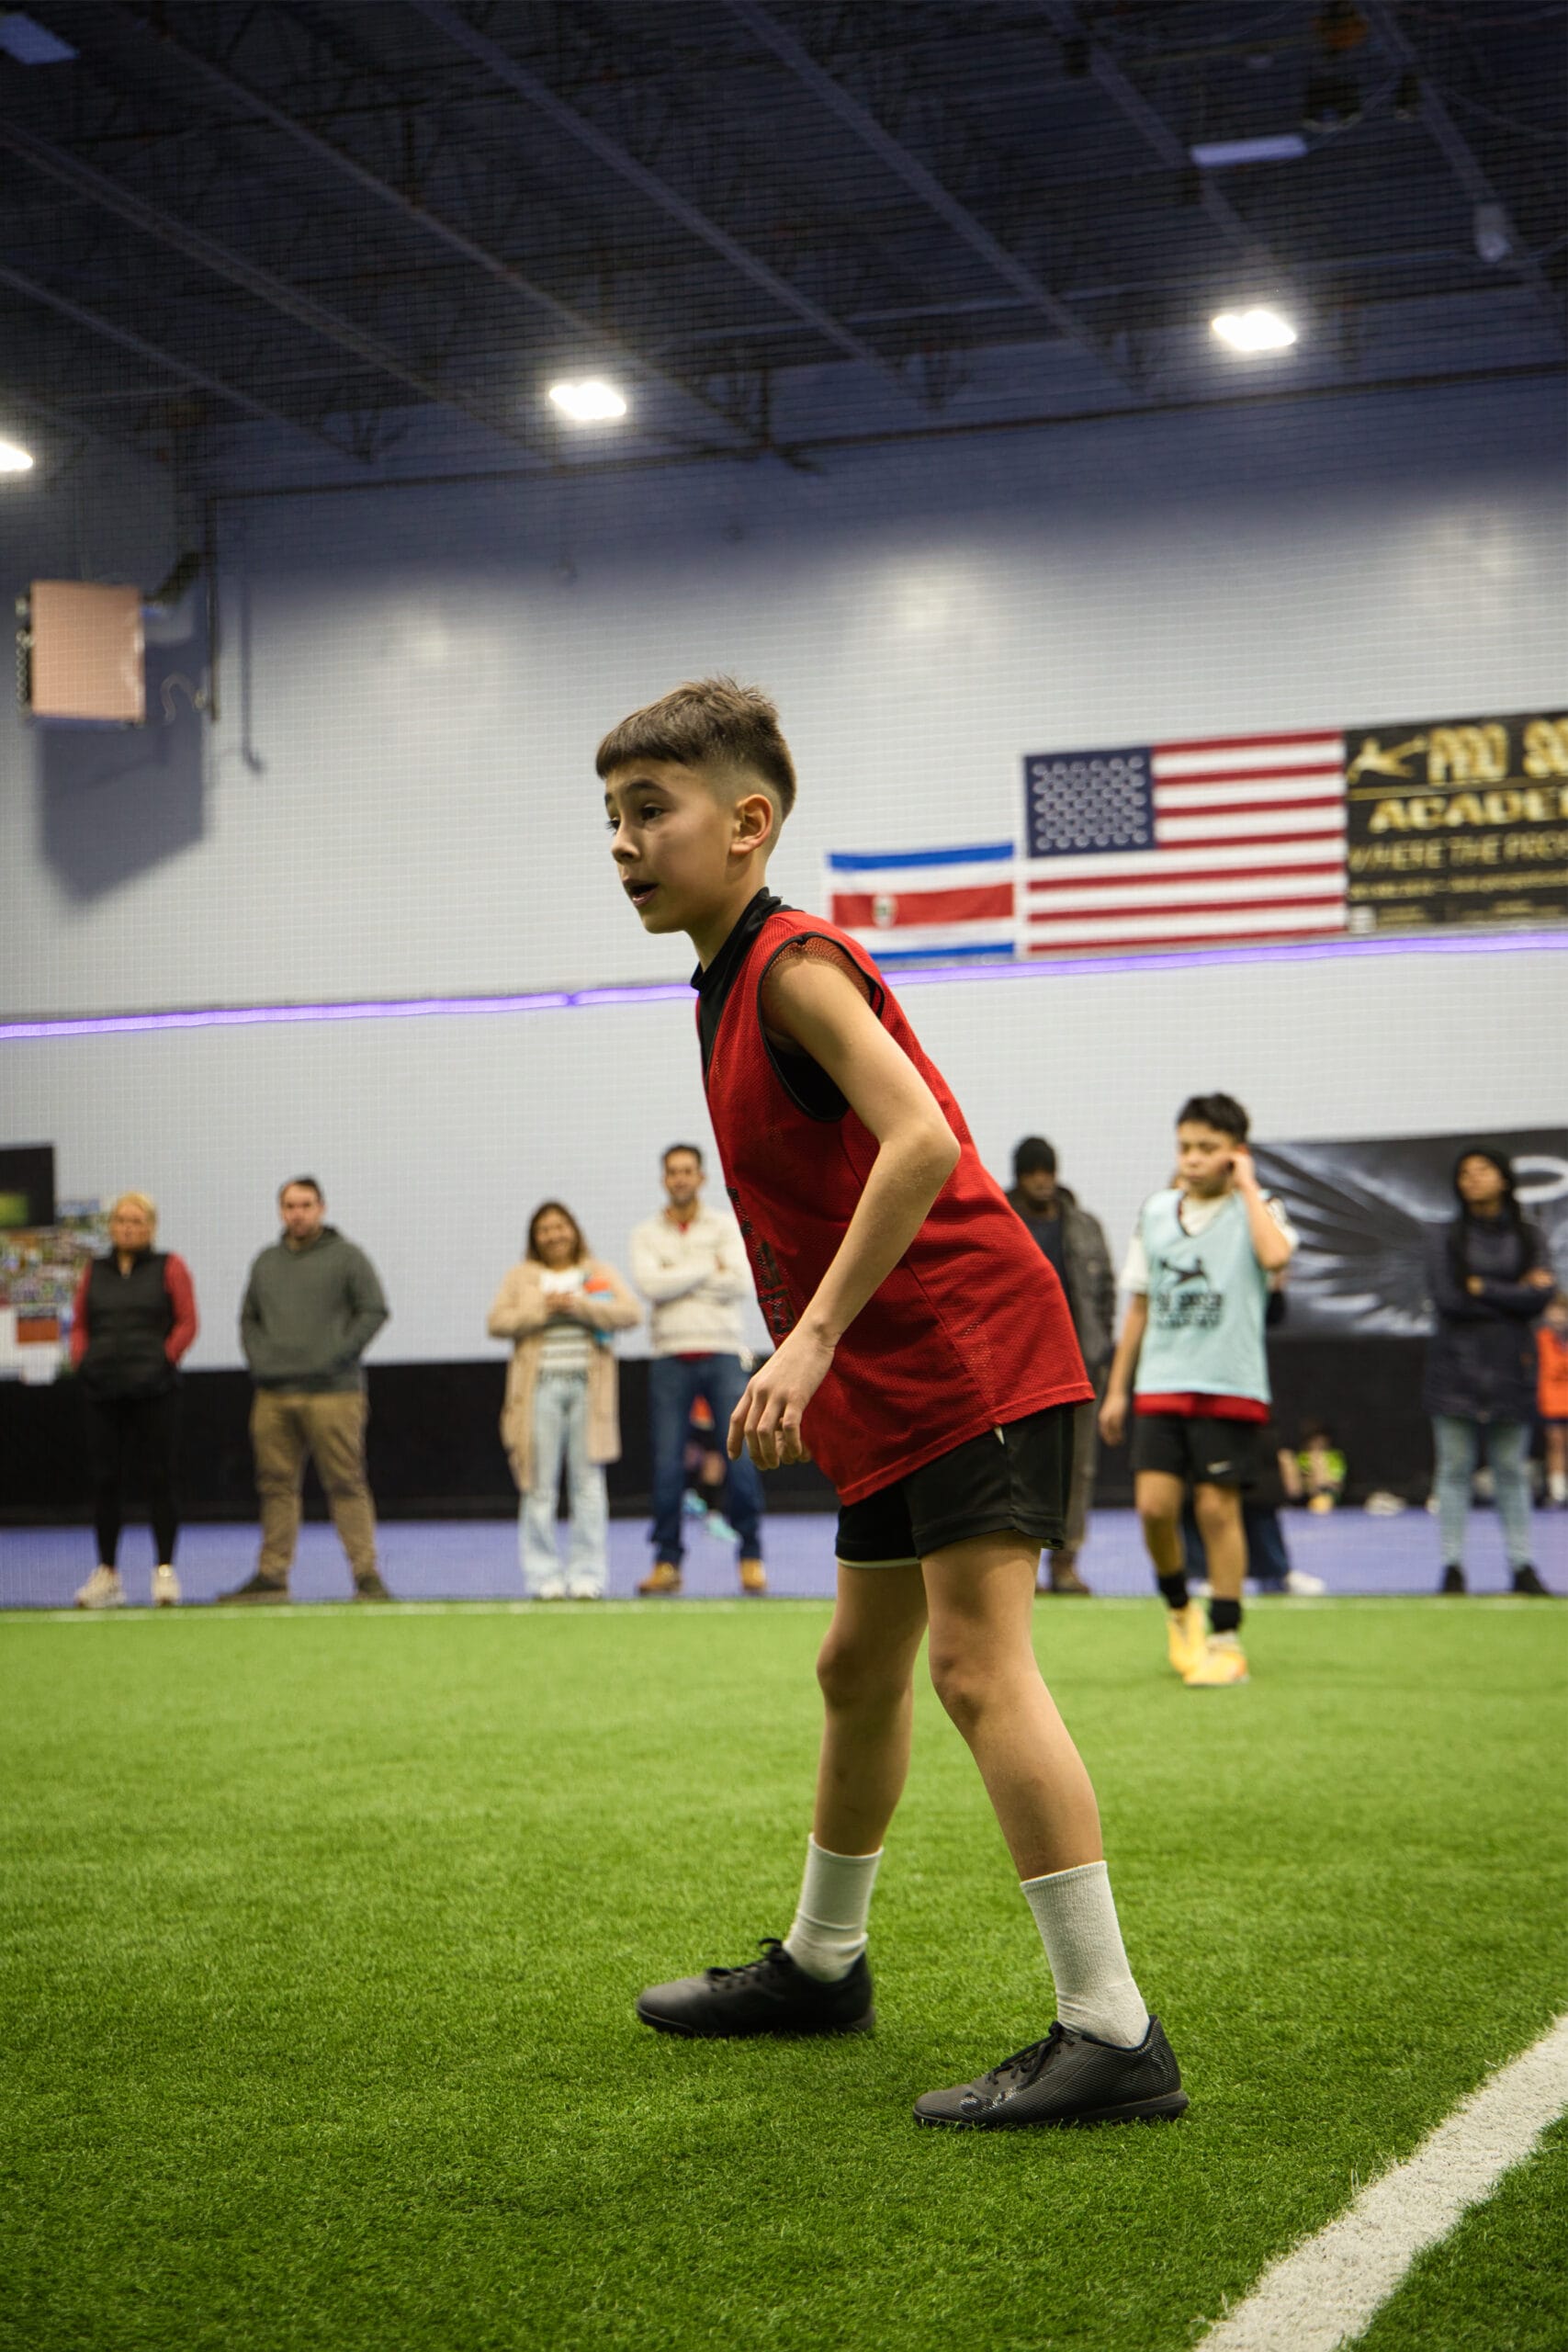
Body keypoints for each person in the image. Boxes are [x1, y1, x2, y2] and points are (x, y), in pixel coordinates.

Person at [600, 677, 1184, 2132]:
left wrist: (804, 1342)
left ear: (747, 824)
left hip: (966, 1353)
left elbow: (922, 1140)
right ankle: (821, 1964)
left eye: (647, 811)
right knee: (854, 1668)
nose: (621, 842)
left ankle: (1109, 2028)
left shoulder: (795, 962)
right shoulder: (724, 979)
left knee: (976, 1673)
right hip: (895, 1377)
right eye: (609, 817)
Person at [1100, 1093, 1296, 1688]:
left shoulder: (1259, 1208)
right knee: (1154, 1509)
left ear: (1235, 1153)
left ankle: (1226, 1637)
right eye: (1184, 1147)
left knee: (1217, 1508)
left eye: (1207, 1149)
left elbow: (1274, 1255)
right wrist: (1116, 1389)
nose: (1191, 1159)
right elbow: (1138, 1305)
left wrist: (1248, 1186)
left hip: (1227, 1384)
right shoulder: (1156, 1211)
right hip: (1160, 1384)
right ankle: (1179, 1607)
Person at [220, 1178, 392, 1604]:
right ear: (281, 1210)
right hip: (274, 1395)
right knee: (275, 1485)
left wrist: (338, 1354)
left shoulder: (347, 1258)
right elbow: (249, 1319)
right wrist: (261, 1363)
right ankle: (272, 1575)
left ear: (322, 1208)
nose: (298, 1213)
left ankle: (366, 1575)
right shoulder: (266, 1262)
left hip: (334, 1393)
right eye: (290, 1205)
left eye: (306, 1205)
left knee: (346, 1482)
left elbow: (375, 1309)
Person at [630, 1143, 765, 1597]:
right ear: (664, 1179)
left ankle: (751, 1556)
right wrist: (708, 1267)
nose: (681, 1178)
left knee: (740, 1458)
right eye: (673, 1172)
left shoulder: (726, 1227)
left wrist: (677, 1275)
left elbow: (741, 1283)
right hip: (670, 1356)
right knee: (668, 1466)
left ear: (701, 1177)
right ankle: (667, 1563)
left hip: (724, 1352)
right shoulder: (646, 1233)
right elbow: (651, 1286)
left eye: (688, 1170)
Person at [487, 1202, 640, 1599]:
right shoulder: (522, 1277)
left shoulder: (597, 1272)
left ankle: (587, 1575)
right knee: (538, 1484)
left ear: (574, 1230)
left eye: (560, 1226)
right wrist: (543, 1308)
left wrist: (580, 1305)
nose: (554, 1235)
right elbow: (497, 1322)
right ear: (534, 1237)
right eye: (545, 1229)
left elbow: (629, 1313)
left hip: (589, 1391)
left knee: (588, 1483)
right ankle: (544, 1577)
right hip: (539, 1391)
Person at [1424, 1148, 1555, 1595]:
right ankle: (1452, 1568)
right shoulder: (1444, 1237)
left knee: (1511, 1470)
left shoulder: (1530, 1237)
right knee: (1455, 1467)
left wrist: (1485, 1288)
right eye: (1464, 1172)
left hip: (1511, 1367)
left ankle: (1522, 1566)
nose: (1472, 1179)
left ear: (1504, 1179)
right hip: (1454, 1369)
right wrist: (1513, 1293)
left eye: (1483, 1170)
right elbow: (1450, 1300)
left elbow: (1541, 1299)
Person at [69, 1192, 197, 1610]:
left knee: (161, 1479)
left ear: (151, 1226)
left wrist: (164, 1360)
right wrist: (81, 1360)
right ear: (111, 1226)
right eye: (121, 1220)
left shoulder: (170, 1266)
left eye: (137, 1220)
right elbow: (81, 1324)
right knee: (106, 1482)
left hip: (155, 1392)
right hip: (102, 1391)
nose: (128, 1227)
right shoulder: (95, 1270)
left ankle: (164, 1573)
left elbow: (187, 1322)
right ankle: (107, 1575)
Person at [1006, 1136, 1115, 1597]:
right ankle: (1017, 1568)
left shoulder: (1084, 1226)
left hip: (1080, 1367)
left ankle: (1066, 1564)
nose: (1042, 1180)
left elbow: (1105, 1293)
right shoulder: (999, 1220)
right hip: (1018, 1368)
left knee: (1079, 1469)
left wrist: (1100, 1345)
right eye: (1033, 1172)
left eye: (1047, 1171)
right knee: (1016, 1467)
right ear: (1020, 1175)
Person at [1540, 1292, 1568, 1508]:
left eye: (1562, 1312)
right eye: (1554, 1312)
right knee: (1555, 1444)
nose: (1558, 1317)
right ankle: (1558, 1491)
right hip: (1551, 1403)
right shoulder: (1541, 1339)